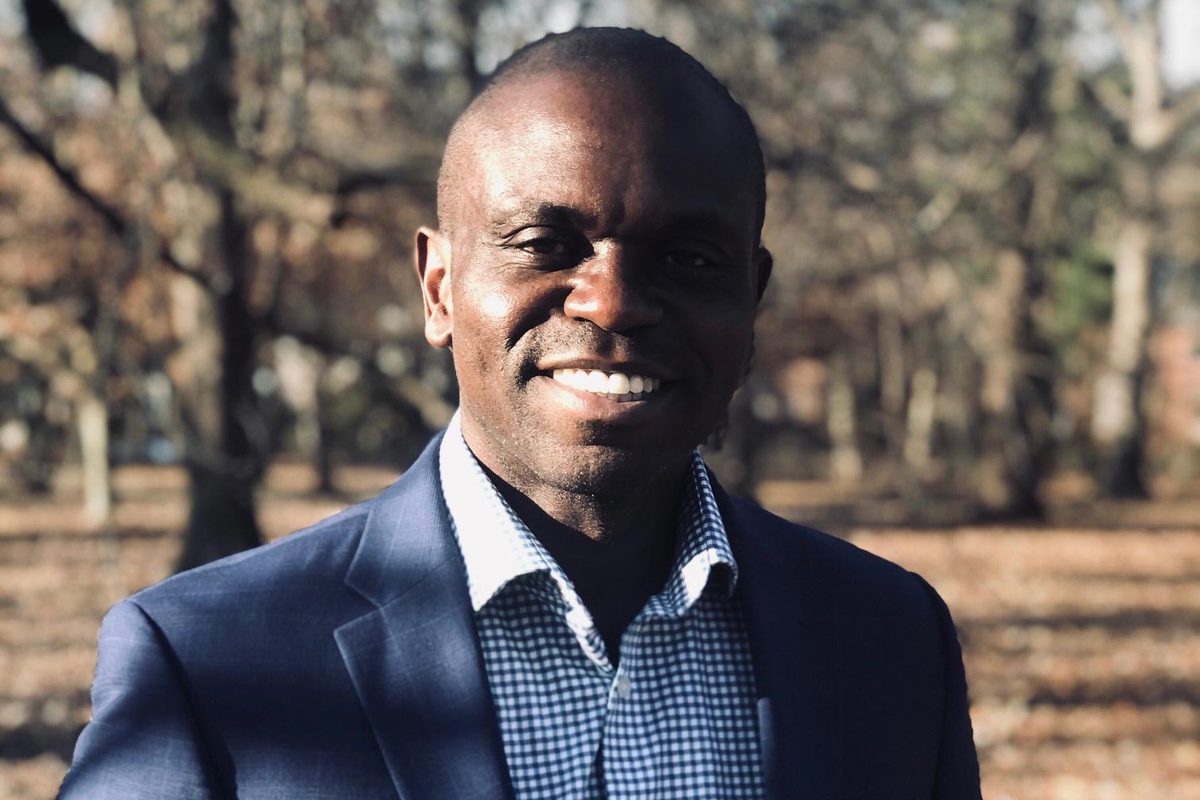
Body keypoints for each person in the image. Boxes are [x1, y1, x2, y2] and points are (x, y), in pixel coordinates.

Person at [59, 27, 981, 800]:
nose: (613, 303)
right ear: (438, 287)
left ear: (752, 300)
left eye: (690, 259)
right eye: (546, 243)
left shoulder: (890, 642)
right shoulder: (209, 662)